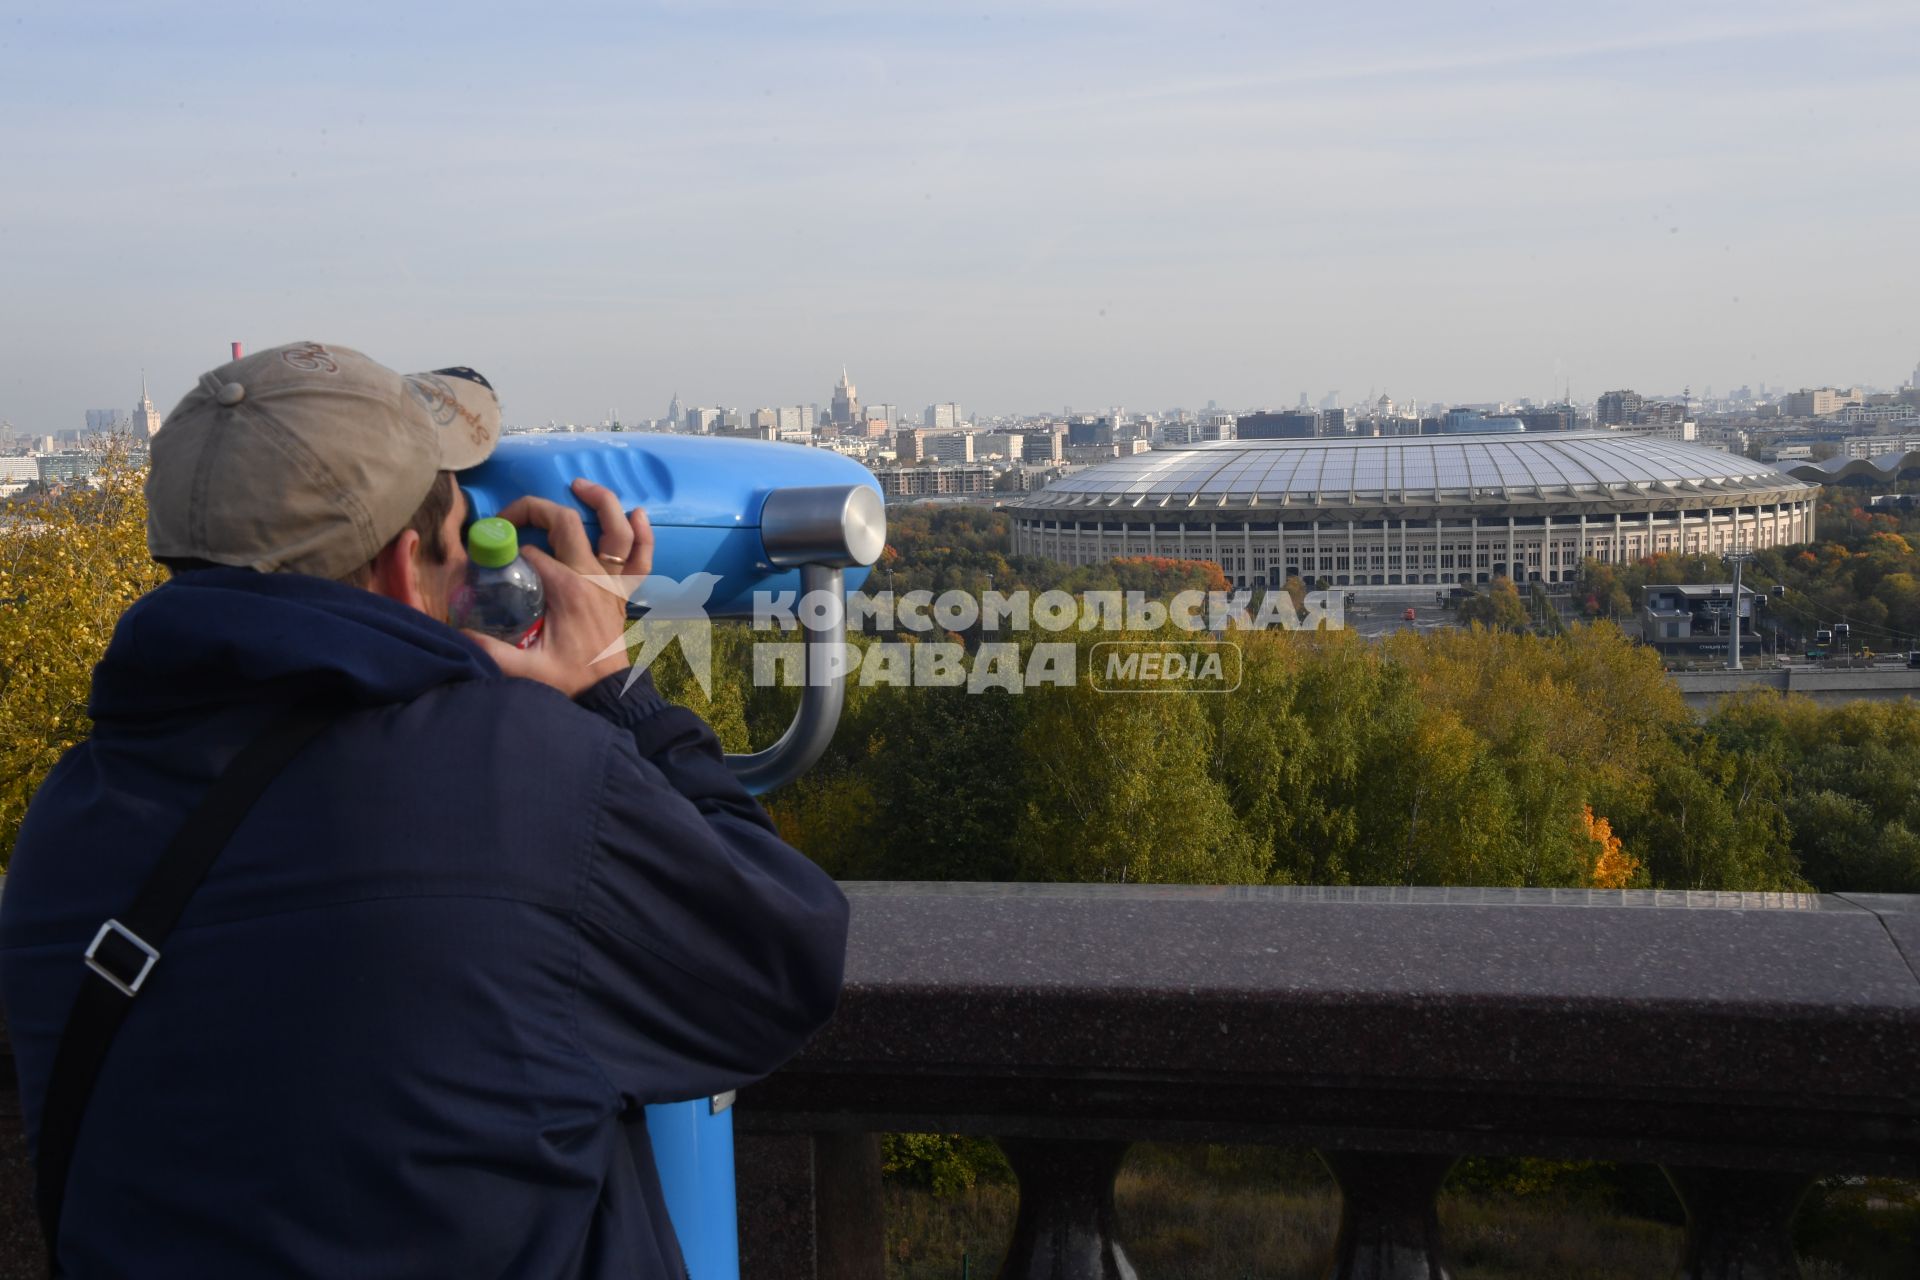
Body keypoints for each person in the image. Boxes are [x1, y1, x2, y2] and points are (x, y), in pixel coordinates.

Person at [0, 342, 849, 1277]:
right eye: (458, 540)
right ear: (408, 572)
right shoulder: (521, 782)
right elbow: (784, 958)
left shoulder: (65, 825)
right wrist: (611, 685)